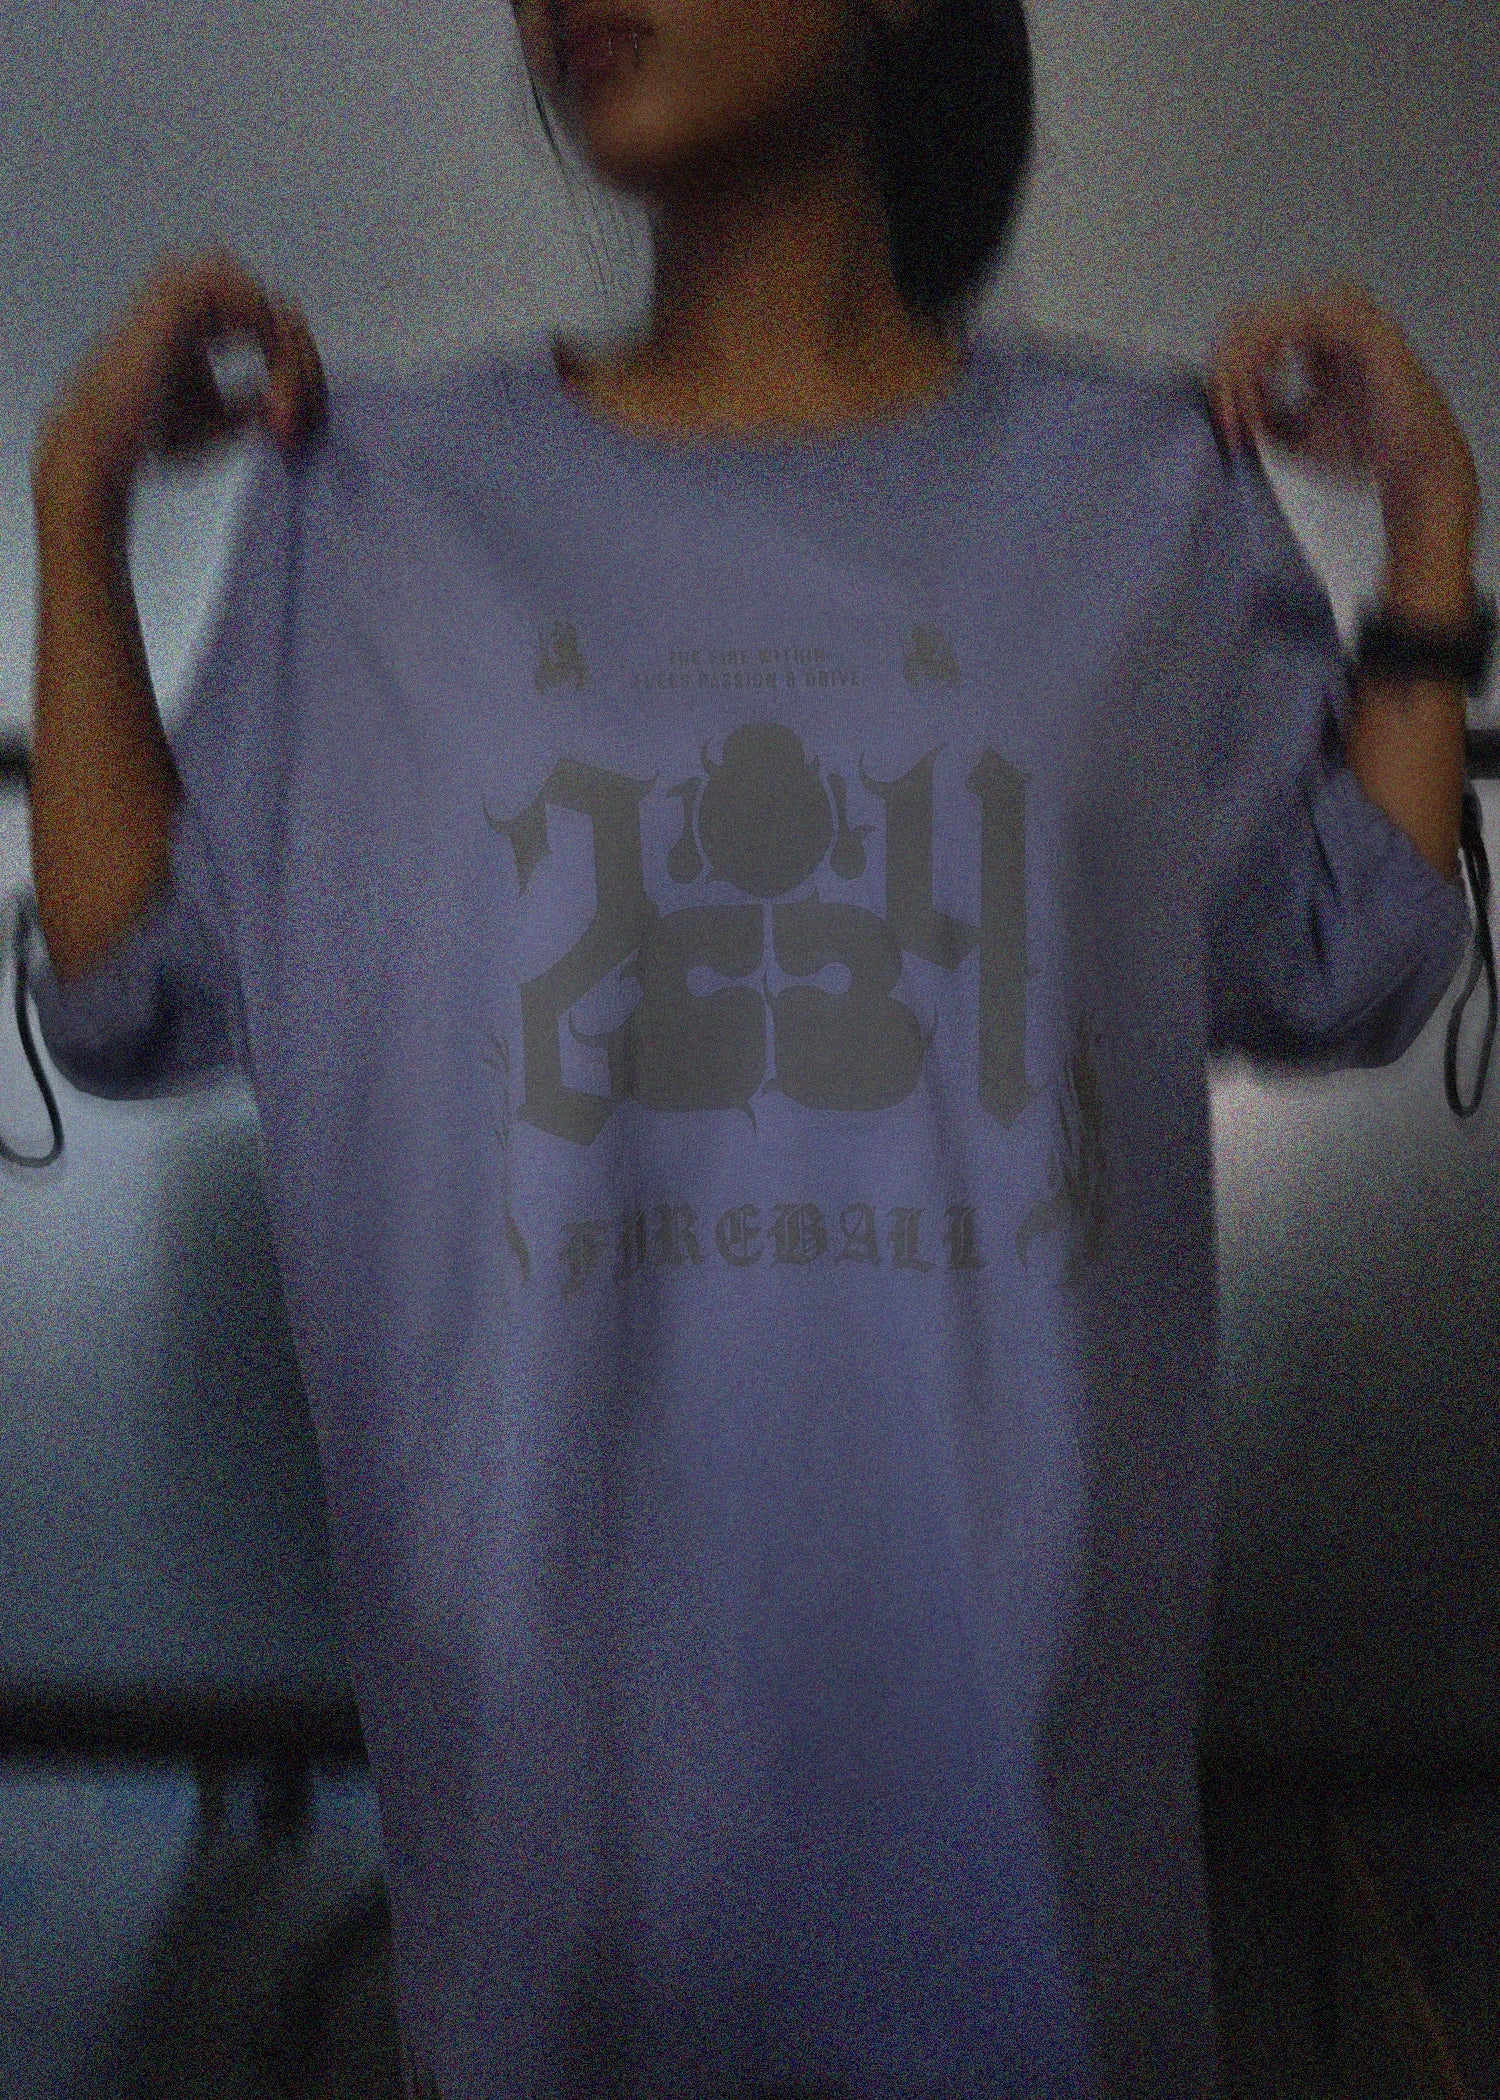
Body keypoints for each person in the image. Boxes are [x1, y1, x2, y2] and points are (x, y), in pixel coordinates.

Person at [25, 2, 1474, 2095]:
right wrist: (78, 513)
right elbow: (135, 984)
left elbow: (1349, 952)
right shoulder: (380, 506)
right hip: (553, 1881)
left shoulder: (1138, 492)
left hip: (1030, 1888)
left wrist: (1427, 549)